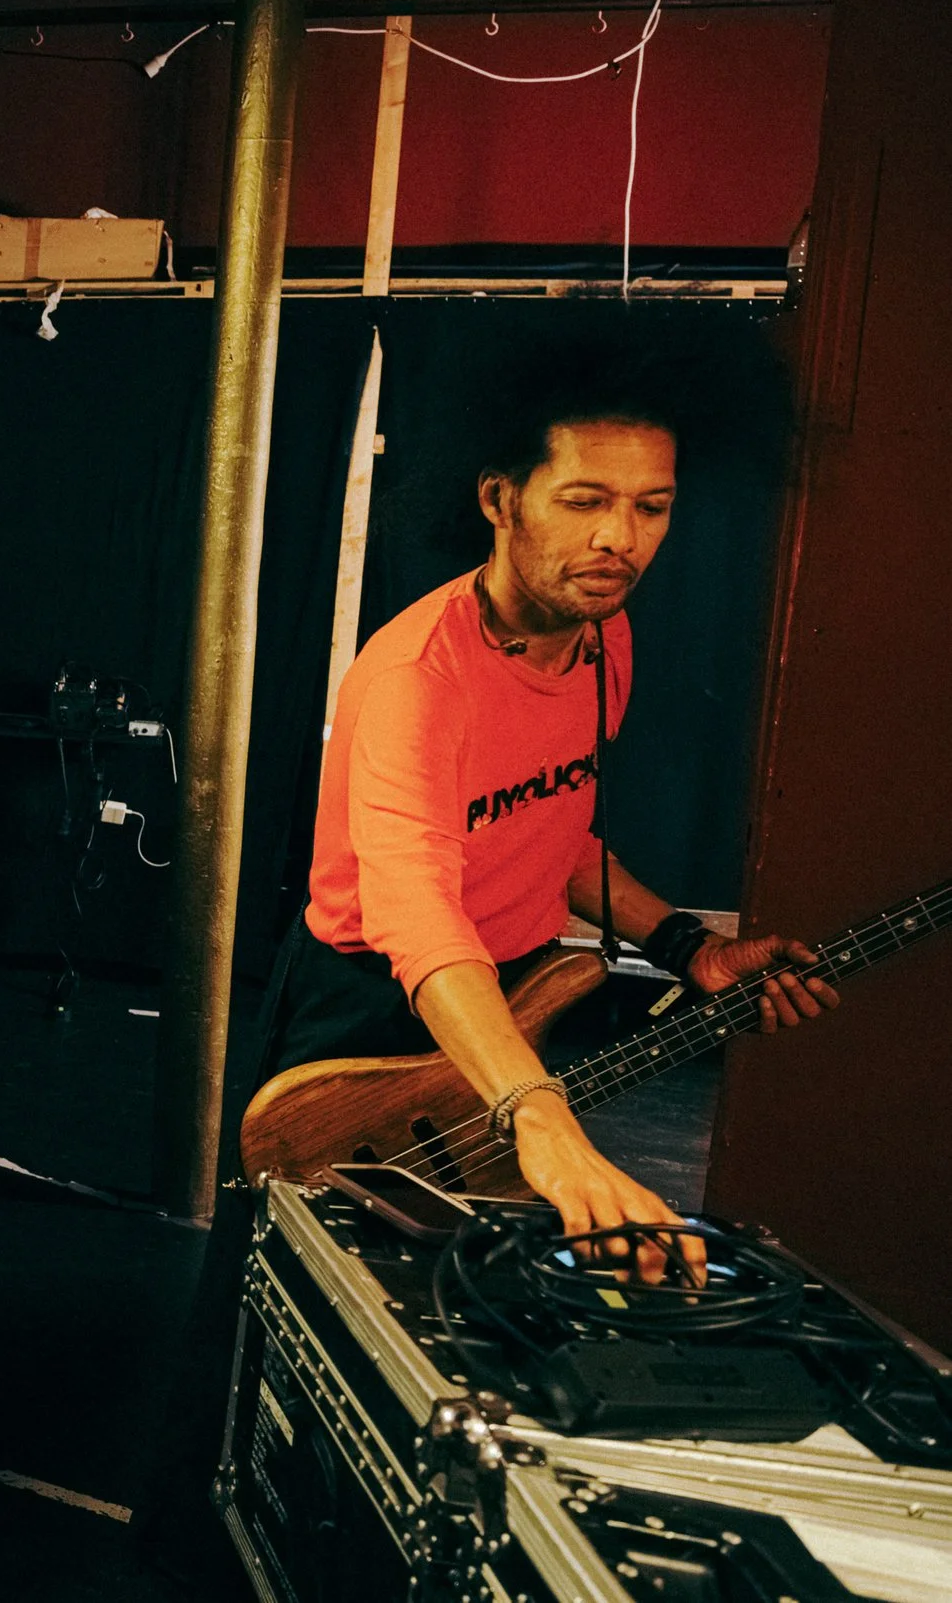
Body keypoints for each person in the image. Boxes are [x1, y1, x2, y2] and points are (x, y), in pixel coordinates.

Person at [142, 356, 837, 1589]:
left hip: (505, 1004)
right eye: (582, 499)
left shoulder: (603, 640)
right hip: (370, 1008)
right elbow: (417, 914)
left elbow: (558, 828)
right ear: (498, 498)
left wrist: (691, 944)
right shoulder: (416, 676)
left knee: (457, 1316)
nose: (619, 539)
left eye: (652, 505)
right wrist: (547, 1124)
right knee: (277, 1317)